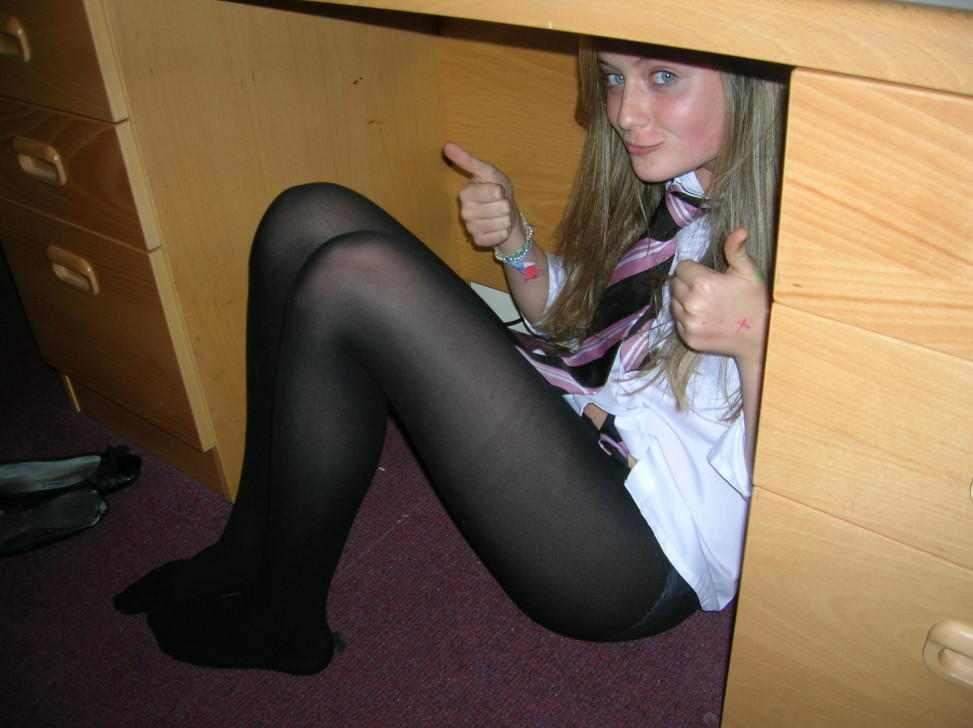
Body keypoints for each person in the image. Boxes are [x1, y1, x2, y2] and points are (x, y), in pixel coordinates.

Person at [114, 37, 786, 675]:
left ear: (752, 84)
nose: (624, 112)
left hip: (642, 551)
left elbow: (797, 510)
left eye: (662, 77)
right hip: (583, 420)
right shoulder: (686, 188)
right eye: (613, 76)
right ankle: (246, 546)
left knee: (354, 276)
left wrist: (754, 345)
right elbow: (583, 327)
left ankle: (285, 619)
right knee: (308, 216)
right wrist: (516, 242)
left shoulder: (796, 245)